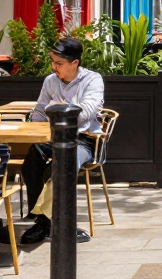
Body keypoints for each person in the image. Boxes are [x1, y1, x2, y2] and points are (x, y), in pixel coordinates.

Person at [9, 37, 104, 244]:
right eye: (53, 62)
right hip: (51, 137)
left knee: (61, 167)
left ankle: (58, 224)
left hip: (83, 140)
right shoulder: (50, 81)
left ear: (74, 63)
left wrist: (61, 109)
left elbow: (87, 111)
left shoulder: (92, 80)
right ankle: (44, 223)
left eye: (59, 63)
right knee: (31, 162)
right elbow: (40, 111)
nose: (54, 67)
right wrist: (36, 129)